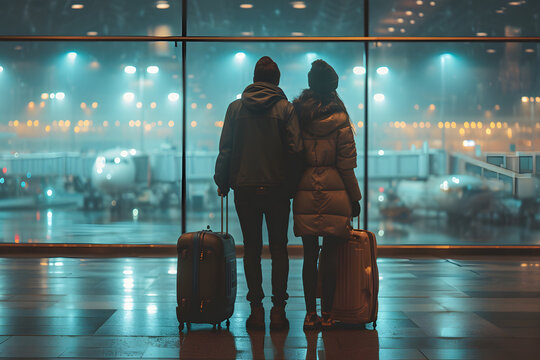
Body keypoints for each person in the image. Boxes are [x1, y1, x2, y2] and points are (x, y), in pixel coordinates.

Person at [214, 56, 303, 331]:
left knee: (251, 249)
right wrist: (291, 185)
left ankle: (255, 311)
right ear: (277, 81)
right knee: (279, 249)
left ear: (254, 79)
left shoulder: (235, 109)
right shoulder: (286, 109)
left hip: (245, 188)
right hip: (277, 189)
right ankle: (278, 310)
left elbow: (226, 148)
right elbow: (296, 150)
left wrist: (222, 179)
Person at [292, 59, 362, 330]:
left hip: (305, 188)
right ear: (333, 88)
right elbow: (346, 164)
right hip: (336, 191)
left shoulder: (297, 115)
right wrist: (354, 198)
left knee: (309, 255)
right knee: (330, 255)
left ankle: (310, 315)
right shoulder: (341, 119)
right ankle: (329, 314)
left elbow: (292, 154)